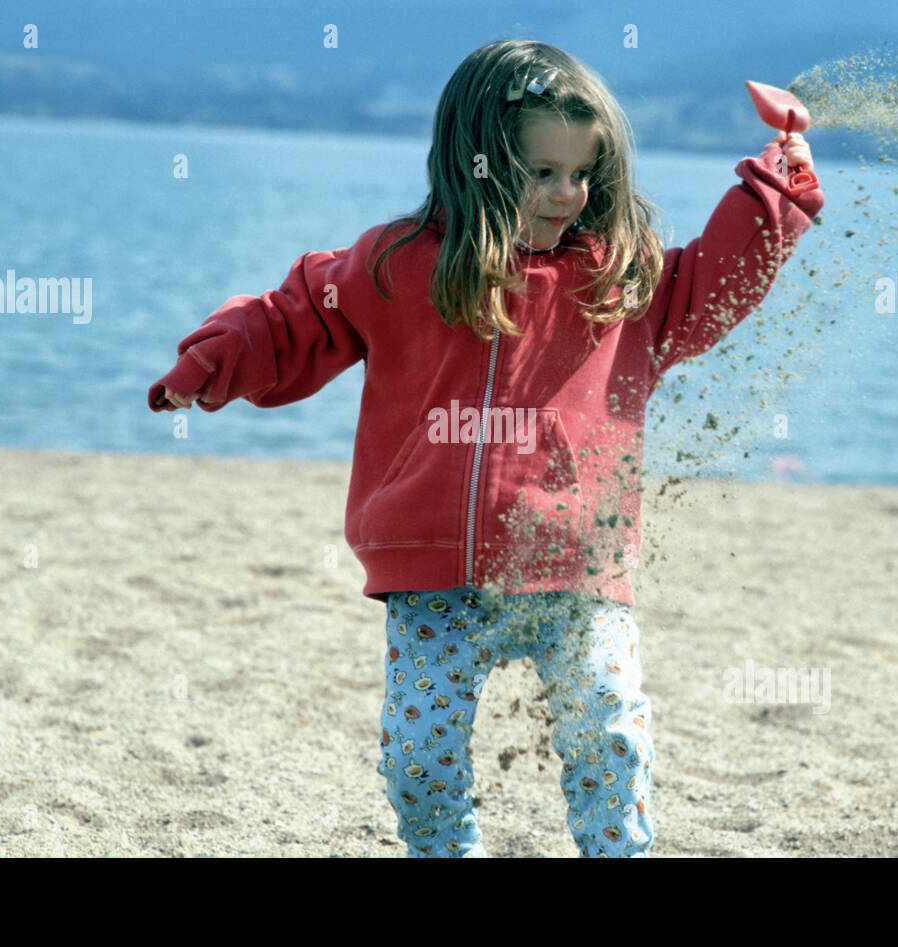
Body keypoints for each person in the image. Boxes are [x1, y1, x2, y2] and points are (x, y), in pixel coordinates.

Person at [148, 39, 823, 857]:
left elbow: (711, 285)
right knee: (419, 759)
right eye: (541, 172)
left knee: (608, 738)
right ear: (475, 160)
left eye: (582, 173)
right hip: (433, 577)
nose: (567, 194)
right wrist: (211, 362)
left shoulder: (620, 280)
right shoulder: (399, 266)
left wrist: (773, 192)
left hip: (577, 570)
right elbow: (294, 317)